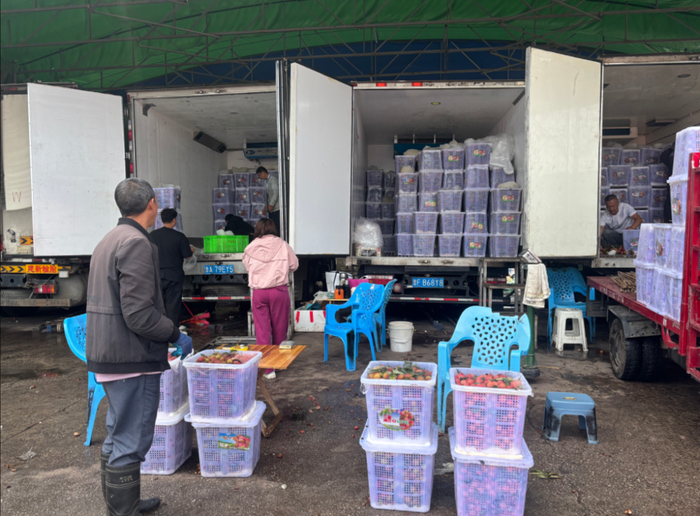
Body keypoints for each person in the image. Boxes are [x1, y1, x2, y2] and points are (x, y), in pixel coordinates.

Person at [86, 178, 193, 516]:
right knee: (132, 439)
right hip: (131, 357)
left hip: (110, 354)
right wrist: (174, 334)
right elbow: (139, 315)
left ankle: (124, 504)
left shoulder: (109, 239)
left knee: (118, 433)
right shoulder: (136, 243)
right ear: (152, 205)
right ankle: (124, 511)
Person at [243, 218, 298, 379]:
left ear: (257, 229)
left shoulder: (250, 247)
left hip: (259, 292)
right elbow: (294, 265)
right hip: (278, 291)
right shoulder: (283, 245)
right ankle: (278, 362)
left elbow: (248, 267)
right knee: (280, 328)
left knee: (262, 330)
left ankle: (267, 369)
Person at [150, 208, 194, 326]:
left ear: (162, 220)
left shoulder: (152, 236)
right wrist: (191, 250)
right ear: (174, 220)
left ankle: (158, 327)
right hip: (174, 276)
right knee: (173, 305)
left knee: (158, 304)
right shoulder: (179, 236)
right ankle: (171, 328)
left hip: (156, 275)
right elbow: (187, 256)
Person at [256, 166, 281, 234]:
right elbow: (268, 197)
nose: (260, 177)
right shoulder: (266, 182)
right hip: (271, 209)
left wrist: (271, 204)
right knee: (272, 227)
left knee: (276, 227)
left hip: (276, 209)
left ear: (263, 173)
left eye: (260, 175)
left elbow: (276, 193)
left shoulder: (273, 180)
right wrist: (266, 207)